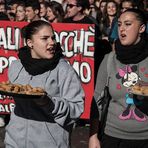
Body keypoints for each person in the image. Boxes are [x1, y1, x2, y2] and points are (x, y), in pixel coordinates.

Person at [4, 20, 84, 148]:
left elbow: (77, 108)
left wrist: (49, 103)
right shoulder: (16, 66)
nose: (52, 42)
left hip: (50, 143)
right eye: (45, 38)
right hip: (15, 142)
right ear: (30, 43)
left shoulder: (63, 70)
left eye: (53, 38)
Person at [89, 8, 148, 148]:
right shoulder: (109, 60)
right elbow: (97, 99)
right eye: (120, 24)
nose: (122, 29)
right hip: (113, 137)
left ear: (141, 28)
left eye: (128, 24)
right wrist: (93, 136)